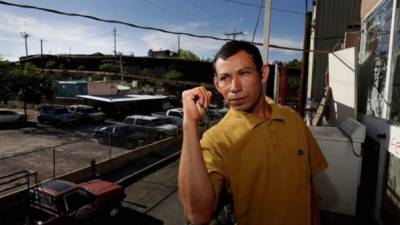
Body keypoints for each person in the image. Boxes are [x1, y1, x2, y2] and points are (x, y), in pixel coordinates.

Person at [178, 40, 328, 225]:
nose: (235, 87)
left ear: (263, 73)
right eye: (225, 78)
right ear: (217, 84)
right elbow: (198, 215)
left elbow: (308, 186)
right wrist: (189, 125)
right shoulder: (215, 140)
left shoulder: (292, 119)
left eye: (244, 73)